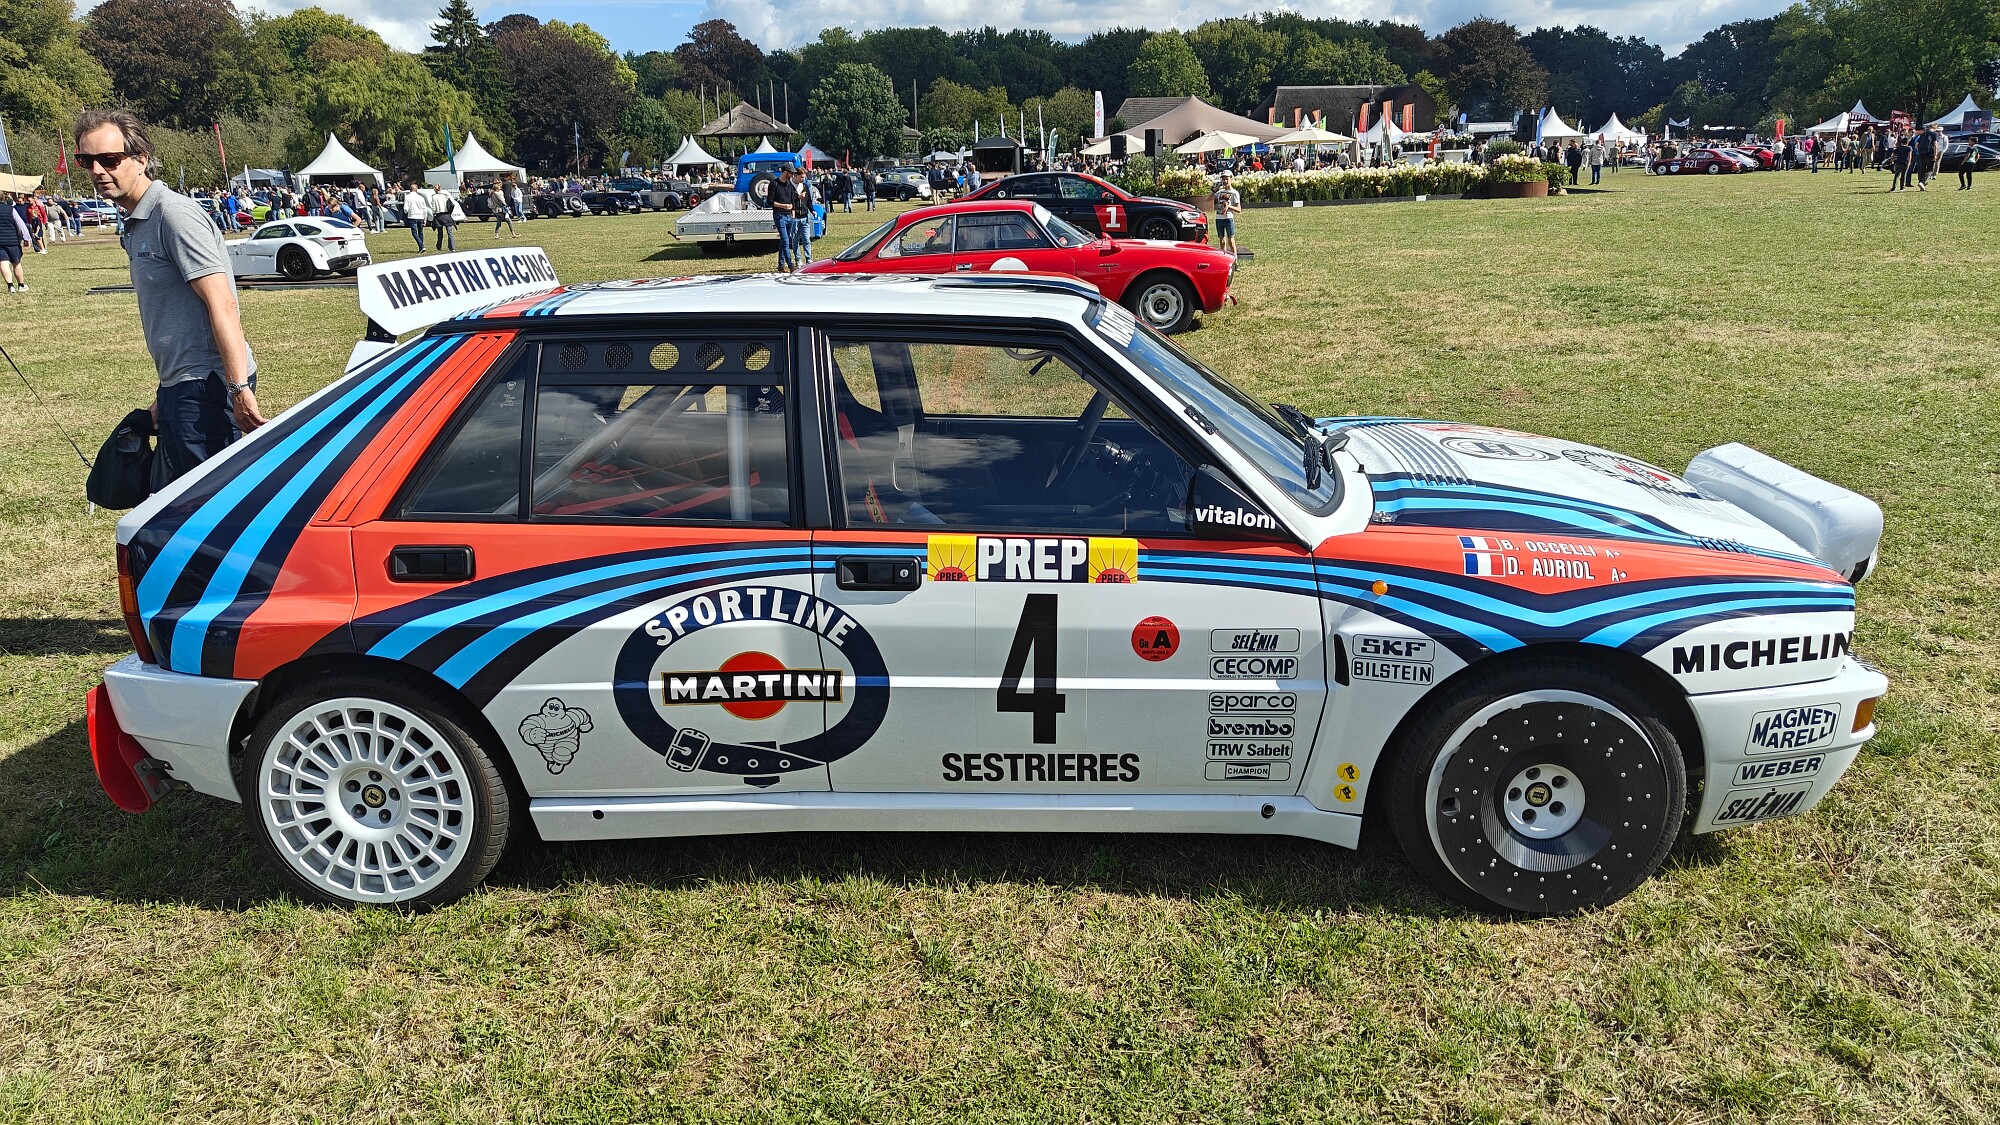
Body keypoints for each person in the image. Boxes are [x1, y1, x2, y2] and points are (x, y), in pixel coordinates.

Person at [75, 107, 264, 487]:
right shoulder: (136, 221)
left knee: (208, 501)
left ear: (141, 159)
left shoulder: (174, 215)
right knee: (186, 498)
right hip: (185, 385)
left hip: (209, 386)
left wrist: (237, 388)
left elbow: (222, 302)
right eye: (86, 160)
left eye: (109, 159)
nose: (97, 171)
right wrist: (167, 393)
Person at [769, 165, 800, 272]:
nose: (792, 175)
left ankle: (781, 265)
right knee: (786, 241)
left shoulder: (789, 185)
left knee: (784, 241)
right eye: (791, 173)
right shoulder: (774, 183)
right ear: (785, 172)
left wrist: (792, 211)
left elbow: (793, 199)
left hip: (789, 216)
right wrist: (783, 206)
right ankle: (791, 265)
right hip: (779, 215)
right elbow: (770, 201)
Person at [0, 194, 28, 292]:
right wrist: (26, 238)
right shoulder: (10, 209)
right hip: (12, 240)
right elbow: (20, 224)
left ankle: (10, 286)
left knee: (3, 262)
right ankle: (21, 285)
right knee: (16, 263)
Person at [1211, 171, 1240, 257]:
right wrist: (1215, 189)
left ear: (1231, 179)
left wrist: (1229, 207)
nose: (1225, 181)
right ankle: (1223, 258)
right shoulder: (1220, 192)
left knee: (1231, 240)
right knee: (1222, 241)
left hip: (1228, 218)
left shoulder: (1234, 193)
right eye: (1223, 179)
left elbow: (1239, 209)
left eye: (1227, 179)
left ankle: (1235, 259)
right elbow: (1207, 198)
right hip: (1219, 218)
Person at [401, 181, 430, 250]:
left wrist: (406, 212)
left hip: (412, 216)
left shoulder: (407, 197)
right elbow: (425, 209)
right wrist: (425, 219)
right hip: (420, 216)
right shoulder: (421, 197)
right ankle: (421, 246)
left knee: (414, 232)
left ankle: (421, 246)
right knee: (420, 231)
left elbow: (405, 209)